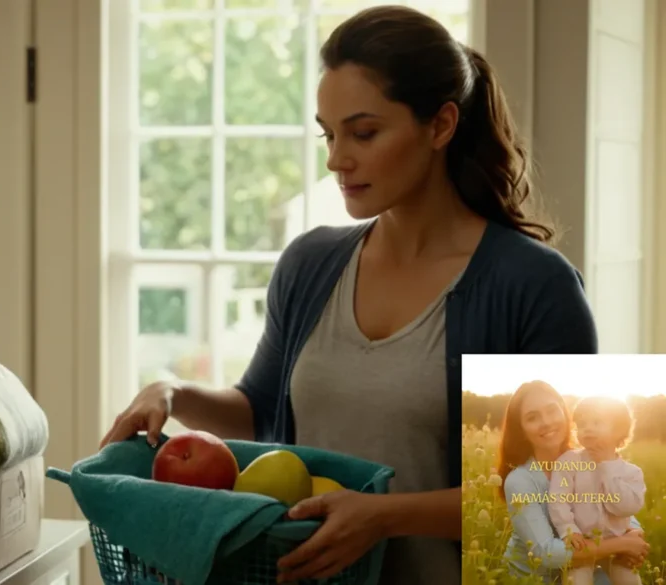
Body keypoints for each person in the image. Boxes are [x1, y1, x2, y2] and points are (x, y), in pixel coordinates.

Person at [102, 5, 598, 584]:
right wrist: (172, 390)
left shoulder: (534, 286)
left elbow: (564, 489)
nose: (337, 158)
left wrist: (384, 518)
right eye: (329, 134)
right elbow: (260, 411)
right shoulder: (311, 264)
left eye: (364, 133)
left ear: (440, 126)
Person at [498, 382, 649, 584]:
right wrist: (621, 544)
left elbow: (612, 505)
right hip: (536, 577)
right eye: (532, 418)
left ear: (565, 413)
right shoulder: (520, 481)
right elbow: (547, 553)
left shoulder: (590, 457)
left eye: (552, 411)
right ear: (522, 430)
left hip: (588, 563)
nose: (546, 422)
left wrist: (634, 534)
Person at [547, 395, 647, 585]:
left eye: (597, 422)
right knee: (576, 581)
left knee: (630, 580)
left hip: (617, 547)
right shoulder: (568, 462)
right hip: (583, 543)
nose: (588, 429)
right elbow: (558, 499)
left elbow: (626, 508)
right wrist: (569, 530)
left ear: (619, 430)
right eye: (582, 424)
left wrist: (606, 466)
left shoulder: (631, 473)